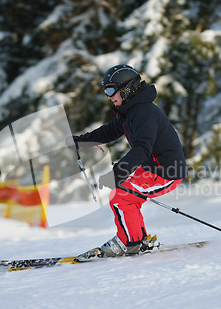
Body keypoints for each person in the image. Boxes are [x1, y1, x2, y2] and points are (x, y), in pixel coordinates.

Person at [68, 64, 187, 261]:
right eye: (105, 90)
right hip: (152, 168)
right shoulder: (129, 111)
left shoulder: (144, 112)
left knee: (122, 195)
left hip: (167, 172)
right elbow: (110, 131)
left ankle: (129, 242)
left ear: (127, 89)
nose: (108, 96)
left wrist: (118, 173)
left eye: (111, 90)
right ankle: (137, 240)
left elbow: (142, 148)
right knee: (125, 196)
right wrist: (81, 141)